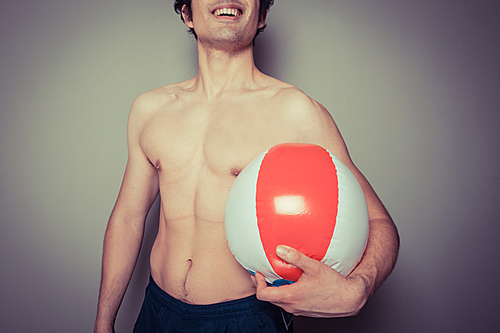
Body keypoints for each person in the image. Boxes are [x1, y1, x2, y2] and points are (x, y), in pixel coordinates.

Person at [94, 0, 400, 332]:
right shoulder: (149, 110)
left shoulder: (294, 111)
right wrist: (103, 321)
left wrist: (360, 289)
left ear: (261, 15)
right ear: (187, 13)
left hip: (246, 318)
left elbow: (378, 221)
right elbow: (128, 217)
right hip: (157, 312)